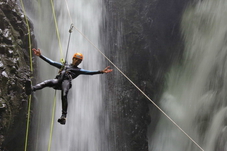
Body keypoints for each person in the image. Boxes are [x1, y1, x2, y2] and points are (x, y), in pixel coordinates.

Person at [26, 48, 113, 125]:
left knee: (64, 95)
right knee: (46, 82)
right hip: (58, 81)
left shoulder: (78, 70)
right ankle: (31, 89)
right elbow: (51, 62)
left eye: (79, 61)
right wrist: (40, 56)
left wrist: (101, 71)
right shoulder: (64, 66)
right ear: (73, 58)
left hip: (66, 82)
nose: (77, 61)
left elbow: (90, 72)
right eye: (76, 59)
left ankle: (63, 116)